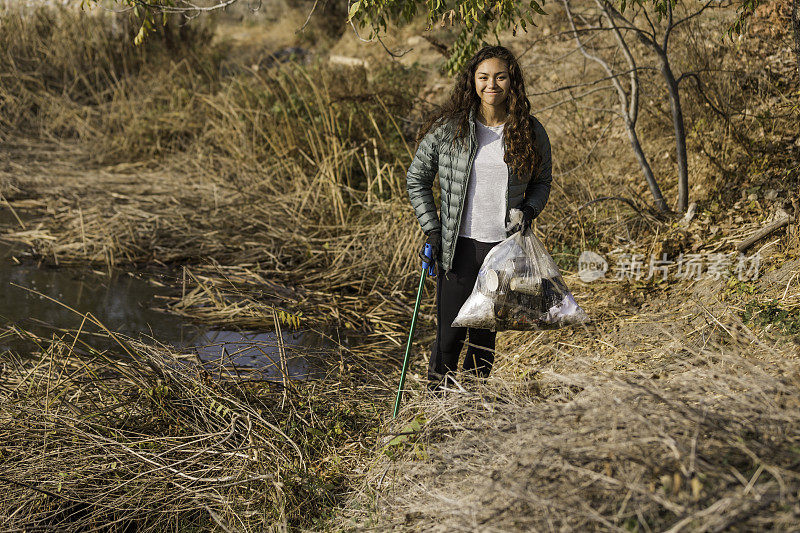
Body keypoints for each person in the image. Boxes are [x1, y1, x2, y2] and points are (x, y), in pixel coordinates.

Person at [406, 45, 553, 390]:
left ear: (511, 81)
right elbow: (417, 178)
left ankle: (471, 411)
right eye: (483, 77)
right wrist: (432, 230)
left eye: (500, 76)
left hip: (501, 254)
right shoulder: (450, 129)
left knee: (483, 341)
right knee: (448, 338)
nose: (492, 84)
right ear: (472, 81)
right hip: (458, 249)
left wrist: (529, 210)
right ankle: (436, 411)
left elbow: (542, 181)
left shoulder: (530, 131)